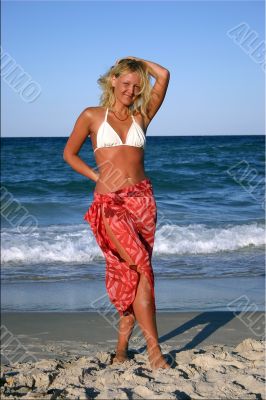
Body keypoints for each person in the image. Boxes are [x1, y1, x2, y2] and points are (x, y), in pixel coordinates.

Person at [63, 56, 170, 369]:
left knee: (132, 274)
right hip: (110, 204)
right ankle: (155, 352)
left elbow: (163, 75)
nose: (131, 90)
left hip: (143, 202)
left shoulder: (142, 115)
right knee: (142, 270)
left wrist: (137, 62)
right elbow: (68, 154)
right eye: (125, 83)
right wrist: (97, 178)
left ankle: (122, 348)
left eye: (137, 86)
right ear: (112, 80)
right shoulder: (92, 115)